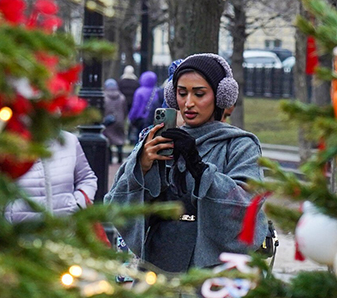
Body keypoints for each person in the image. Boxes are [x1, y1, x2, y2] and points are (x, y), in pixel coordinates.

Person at [105, 53, 267, 280]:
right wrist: (140, 167)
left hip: (216, 273)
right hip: (159, 268)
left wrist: (198, 167)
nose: (188, 103)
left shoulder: (240, 145)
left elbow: (245, 208)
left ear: (221, 97)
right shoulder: (157, 139)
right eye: (182, 93)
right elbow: (117, 206)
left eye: (199, 94)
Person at [6, 131, 98, 222]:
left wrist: (78, 205)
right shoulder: (6, 144)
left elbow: (86, 178)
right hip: (19, 232)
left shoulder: (69, 140)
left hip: (65, 231)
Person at [102, 78, 128, 163]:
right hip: (119, 121)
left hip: (108, 122)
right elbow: (125, 110)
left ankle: (109, 160)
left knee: (108, 139)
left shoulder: (104, 97)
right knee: (120, 139)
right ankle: (120, 158)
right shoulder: (122, 97)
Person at [126, 70, 157, 140]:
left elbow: (135, 107)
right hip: (152, 119)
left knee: (140, 138)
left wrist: (131, 117)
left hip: (141, 119)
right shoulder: (156, 91)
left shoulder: (139, 92)